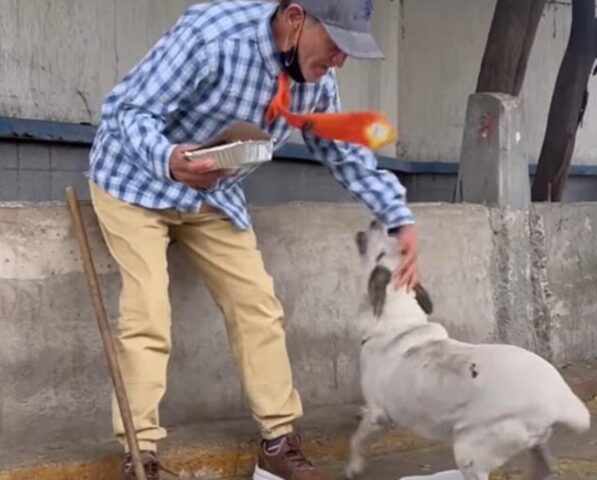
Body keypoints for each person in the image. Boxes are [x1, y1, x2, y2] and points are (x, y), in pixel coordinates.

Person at [88, 0, 419, 479]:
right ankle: (140, 455)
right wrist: (168, 159)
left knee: (258, 305)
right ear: (295, 17)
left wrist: (398, 217)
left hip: (212, 194)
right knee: (147, 311)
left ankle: (278, 442)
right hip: (135, 179)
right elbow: (127, 109)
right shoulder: (214, 34)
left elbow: (345, 156)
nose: (340, 61)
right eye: (336, 45)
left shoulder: (317, 82)